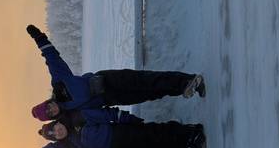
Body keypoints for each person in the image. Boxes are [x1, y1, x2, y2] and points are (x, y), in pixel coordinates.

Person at [26, 24, 206, 122]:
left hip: (107, 80)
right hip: (110, 99)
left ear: (47, 102)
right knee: (150, 94)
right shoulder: (69, 115)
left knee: (146, 81)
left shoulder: (59, 84)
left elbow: (52, 58)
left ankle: (186, 82)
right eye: (49, 113)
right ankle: (183, 89)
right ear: (52, 117)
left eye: (47, 106)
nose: (51, 109)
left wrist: (39, 38)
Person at [8, 108, 206, 148]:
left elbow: (104, 115)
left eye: (55, 129)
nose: (57, 132)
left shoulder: (78, 119)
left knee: (155, 134)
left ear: (57, 123)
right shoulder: (68, 145)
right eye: (54, 136)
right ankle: (187, 143)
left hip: (120, 133)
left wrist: (125, 118)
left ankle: (189, 132)